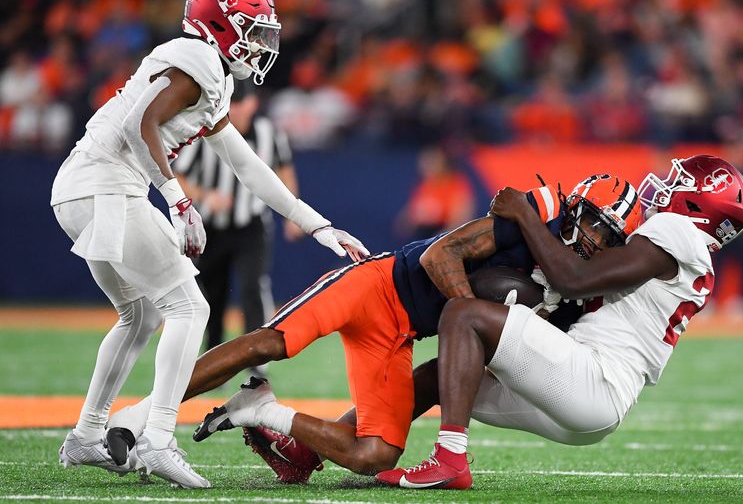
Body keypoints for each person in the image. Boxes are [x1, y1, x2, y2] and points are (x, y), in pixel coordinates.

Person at [109, 174, 641, 482]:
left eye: (608, 236)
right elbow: (440, 256)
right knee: (273, 341)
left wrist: (481, 332)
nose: (596, 239)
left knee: (377, 456)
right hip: (379, 284)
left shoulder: (578, 289)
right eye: (594, 222)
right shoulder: (531, 220)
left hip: (400, 333)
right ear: (576, 210)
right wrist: (471, 321)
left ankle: (259, 409)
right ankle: (138, 417)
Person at [50, 0, 366, 489]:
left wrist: (318, 225)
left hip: (86, 187)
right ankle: (156, 439)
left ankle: (87, 433)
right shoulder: (196, 57)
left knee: (142, 312)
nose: (262, 43)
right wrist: (179, 201)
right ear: (219, 22)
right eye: (253, 29)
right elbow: (137, 125)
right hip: (104, 186)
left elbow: (249, 168)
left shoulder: (212, 75)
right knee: (190, 306)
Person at [376, 155, 743, 490]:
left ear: (698, 203)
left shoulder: (677, 231)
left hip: (593, 378)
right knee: (445, 373)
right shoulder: (689, 255)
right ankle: (344, 440)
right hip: (591, 398)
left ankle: (450, 458)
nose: (665, 186)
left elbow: (572, 279)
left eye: (679, 183)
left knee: (464, 315)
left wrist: (525, 213)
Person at [173, 82, 303, 354]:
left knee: (252, 286)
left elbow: (284, 171)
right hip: (212, 227)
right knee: (211, 292)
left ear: (253, 104)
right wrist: (206, 195)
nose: (236, 110)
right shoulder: (206, 130)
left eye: (241, 103)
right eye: (231, 103)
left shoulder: (269, 134)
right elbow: (178, 176)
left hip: (251, 226)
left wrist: (294, 214)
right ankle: (212, 354)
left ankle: (257, 357)